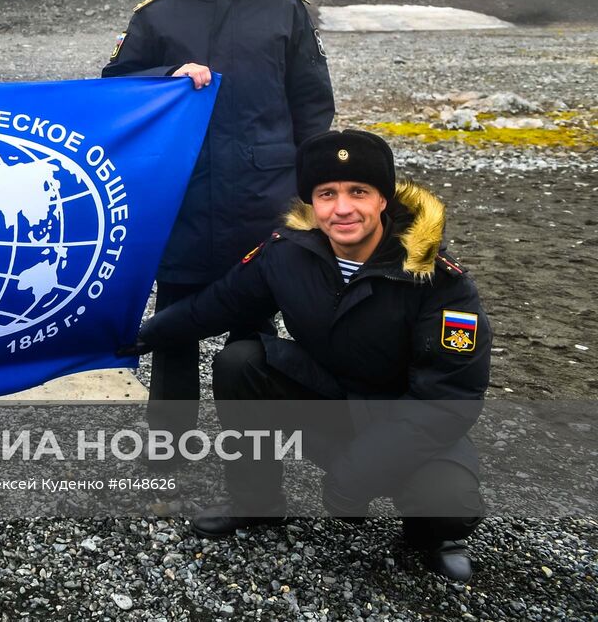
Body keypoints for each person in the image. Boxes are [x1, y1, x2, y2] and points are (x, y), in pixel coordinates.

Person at [131, 129, 490, 581]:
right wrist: (136, 336)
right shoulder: (288, 252)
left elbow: (449, 398)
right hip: (329, 399)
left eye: (359, 191)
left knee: (450, 503)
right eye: (327, 194)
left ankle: (429, 535)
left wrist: (355, 475)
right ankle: (256, 503)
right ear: (311, 203)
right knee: (241, 362)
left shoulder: (439, 279)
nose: (342, 208)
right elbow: (216, 306)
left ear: (383, 199)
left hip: (404, 415)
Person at [101, 0, 334, 439]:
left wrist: (312, 192)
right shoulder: (157, 15)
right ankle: (167, 443)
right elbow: (115, 87)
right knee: (174, 325)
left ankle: (249, 451)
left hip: (265, 200)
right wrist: (165, 76)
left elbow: (312, 105)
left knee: (252, 330)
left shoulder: (288, 11)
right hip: (181, 197)